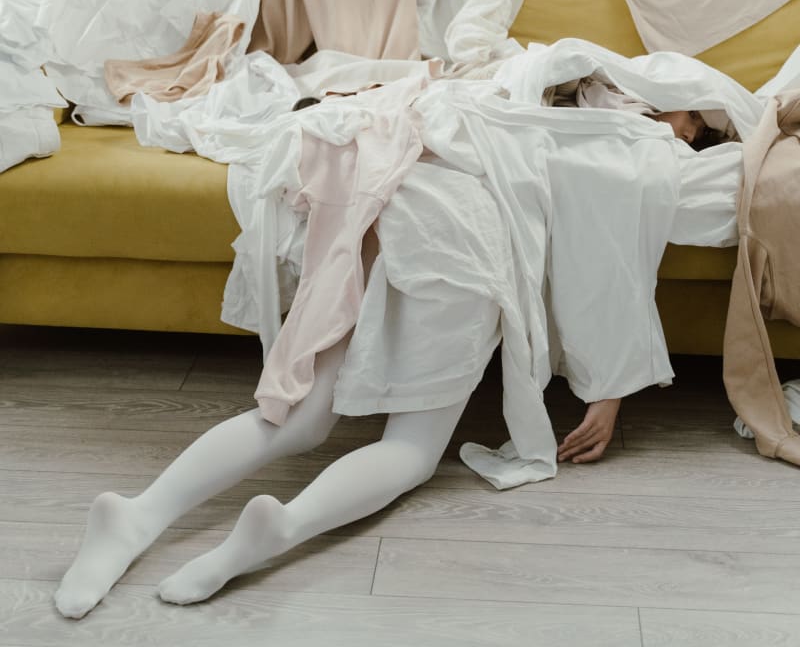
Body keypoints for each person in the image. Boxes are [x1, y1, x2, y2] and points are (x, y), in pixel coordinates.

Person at [53, 95, 721, 619]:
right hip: (457, 233)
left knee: (300, 416)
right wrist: (609, 392)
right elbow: (614, 259)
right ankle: (281, 528)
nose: (681, 123)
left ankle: (137, 513)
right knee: (411, 451)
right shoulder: (637, 144)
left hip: (377, 200)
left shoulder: (542, 91)